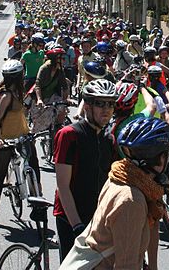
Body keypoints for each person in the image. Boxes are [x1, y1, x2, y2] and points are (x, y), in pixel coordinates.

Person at [69, 117, 169, 270]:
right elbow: (126, 265)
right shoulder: (131, 201)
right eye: (166, 153)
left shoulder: (122, 176)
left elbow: (153, 223)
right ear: (160, 158)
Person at [53, 79, 118, 262]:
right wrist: (77, 226)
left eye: (110, 104)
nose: (106, 109)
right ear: (87, 106)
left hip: (97, 219)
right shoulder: (69, 135)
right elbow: (63, 187)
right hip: (71, 218)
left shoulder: (109, 139)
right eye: (100, 103)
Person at [0, 60, 39, 226]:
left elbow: (19, 115)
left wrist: (28, 129)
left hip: (22, 135)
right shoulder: (6, 96)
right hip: (5, 140)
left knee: (33, 164)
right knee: (0, 173)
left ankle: (37, 199)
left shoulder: (18, 92)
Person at [30, 47, 69, 136]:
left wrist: (66, 99)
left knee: (62, 107)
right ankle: (32, 140)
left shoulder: (60, 70)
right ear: (56, 59)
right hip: (40, 97)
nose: (64, 60)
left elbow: (65, 87)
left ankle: (58, 127)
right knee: (38, 124)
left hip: (52, 96)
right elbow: (38, 85)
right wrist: (39, 99)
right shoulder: (44, 68)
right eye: (62, 58)